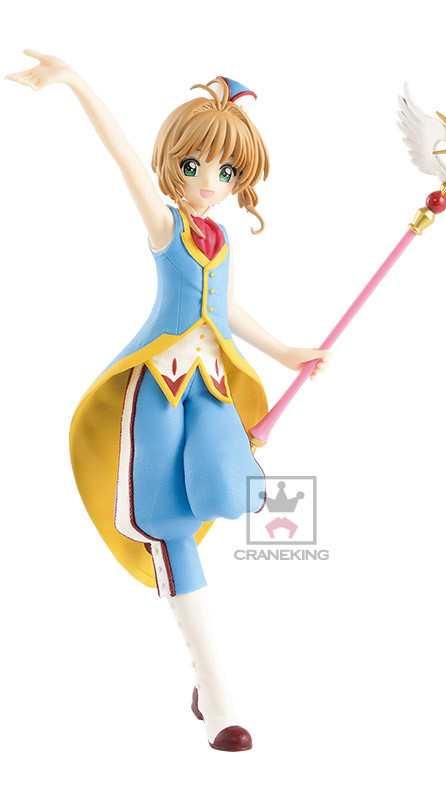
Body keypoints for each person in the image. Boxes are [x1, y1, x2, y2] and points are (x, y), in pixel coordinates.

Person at [6, 50, 331, 752]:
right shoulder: (167, 227)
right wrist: (75, 81)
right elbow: (122, 153)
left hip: (211, 387)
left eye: (226, 171)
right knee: (167, 522)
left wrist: (284, 352)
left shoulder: (222, 238)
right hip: (159, 386)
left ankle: (212, 678)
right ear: (174, 166)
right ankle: (219, 697)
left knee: (232, 493)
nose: (208, 182)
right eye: (193, 166)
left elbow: (227, 308)